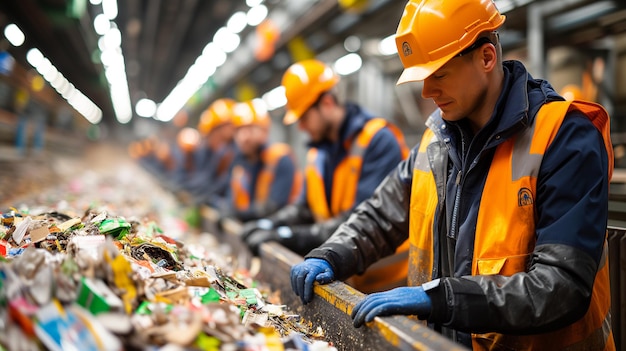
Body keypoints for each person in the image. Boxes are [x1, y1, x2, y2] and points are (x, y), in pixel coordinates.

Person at [289, 0, 615, 349]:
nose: (427, 93)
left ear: (486, 57)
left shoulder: (565, 137)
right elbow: (380, 215)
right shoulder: (436, 142)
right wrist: (332, 252)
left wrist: (443, 298)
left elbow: (561, 285)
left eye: (438, 75)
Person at [242, 59, 410, 293]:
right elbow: (304, 207)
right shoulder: (318, 153)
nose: (300, 127)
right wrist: (270, 224)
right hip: (345, 277)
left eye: (303, 117)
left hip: (388, 286)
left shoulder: (378, 141)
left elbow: (358, 219)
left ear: (328, 103)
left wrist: (286, 236)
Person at [225, 99, 302, 222]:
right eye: (239, 130)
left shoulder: (280, 159)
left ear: (264, 130)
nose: (243, 137)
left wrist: (236, 214)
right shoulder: (239, 165)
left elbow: (274, 207)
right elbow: (232, 200)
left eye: (250, 129)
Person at [184, 98, 238, 207]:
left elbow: (223, 184)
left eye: (212, 133)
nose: (209, 140)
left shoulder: (234, 154)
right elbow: (206, 177)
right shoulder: (219, 153)